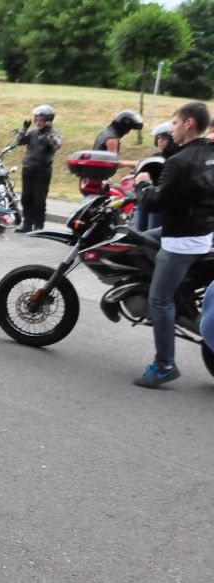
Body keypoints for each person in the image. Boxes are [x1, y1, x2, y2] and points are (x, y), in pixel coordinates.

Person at [132, 102, 214, 388]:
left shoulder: (179, 161)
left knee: (159, 299)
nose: (172, 127)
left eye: (175, 123)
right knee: (143, 238)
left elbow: (155, 201)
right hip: (203, 232)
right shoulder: (209, 153)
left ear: (189, 123)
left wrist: (142, 184)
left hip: (182, 242)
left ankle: (164, 364)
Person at [15, 104, 63, 233]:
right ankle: (27, 224)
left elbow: (57, 145)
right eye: (37, 119)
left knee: (39, 200)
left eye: (41, 119)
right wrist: (24, 128)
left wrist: (48, 131)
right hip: (28, 168)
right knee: (26, 198)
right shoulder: (33, 132)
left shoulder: (53, 133)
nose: (38, 122)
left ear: (48, 120)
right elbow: (19, 141)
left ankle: (38, 225)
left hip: (42, 171)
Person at [134, 122, 180, 232]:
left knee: (151, 235)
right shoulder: (157, 156)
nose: (160, 141)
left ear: (171, 139)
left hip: (161, 201)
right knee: (138, 233)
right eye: (158, 138)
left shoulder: (176, 158)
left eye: (164, 138)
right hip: (146, 197)